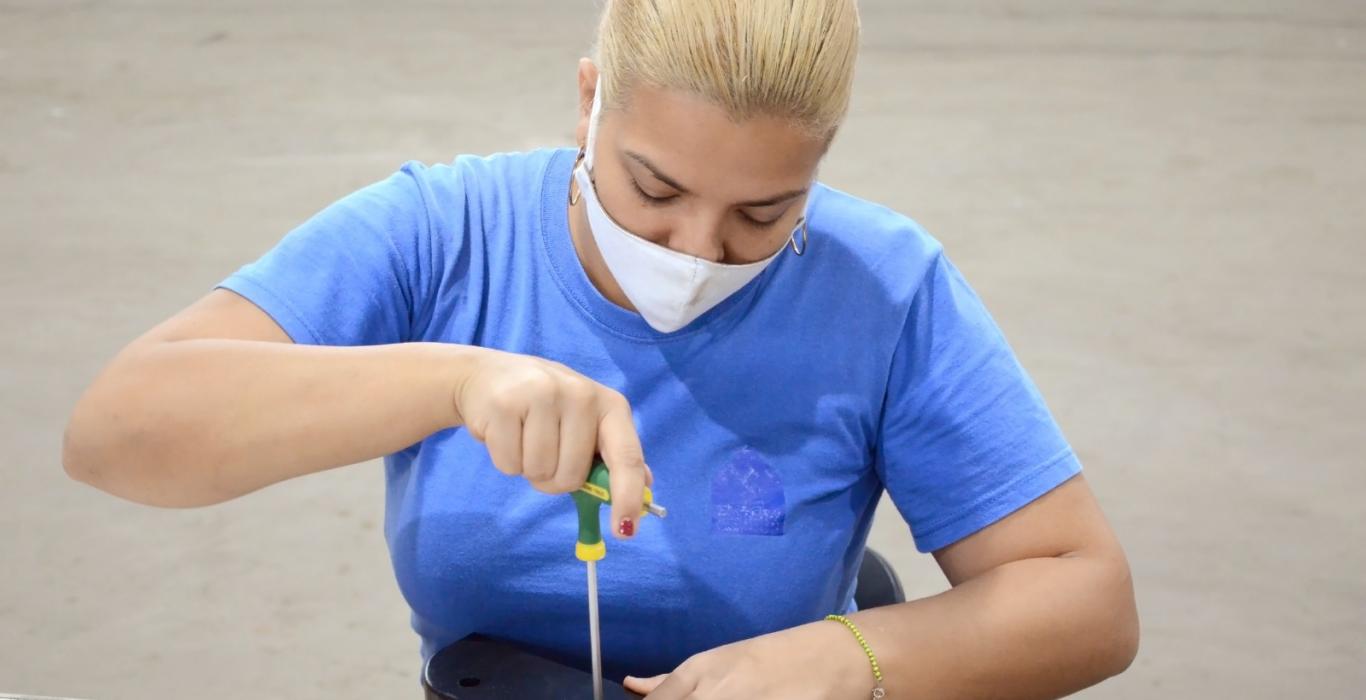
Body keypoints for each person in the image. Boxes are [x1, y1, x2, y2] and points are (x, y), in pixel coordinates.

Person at [62, 1, 1139, 697]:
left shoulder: (883, 288)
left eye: (762, 215)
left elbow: (1084, 594)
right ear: (587, 104)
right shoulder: (446, 233)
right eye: (654, 188)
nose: (694, 249)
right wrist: (451, 379)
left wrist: (850, 655)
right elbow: (118, 433)